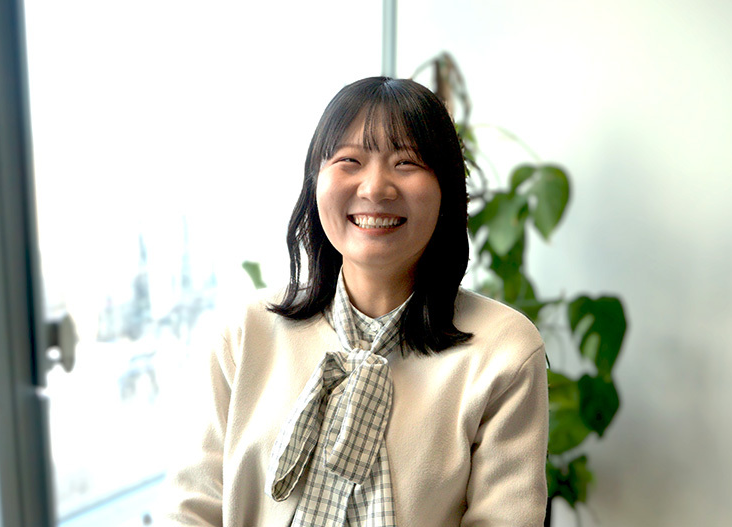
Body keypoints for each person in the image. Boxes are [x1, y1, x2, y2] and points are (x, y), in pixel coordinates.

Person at [160, 77, 549, 526]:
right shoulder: (244, 332)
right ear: (315, 183)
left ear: (446, 191)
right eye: (350, 160)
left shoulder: (504, 350)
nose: (376, 187)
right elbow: (190, 510)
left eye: (407, 162)